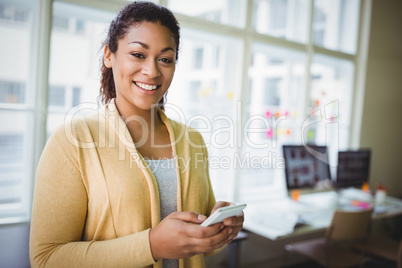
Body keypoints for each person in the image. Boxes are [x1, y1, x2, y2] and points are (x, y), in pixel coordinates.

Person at [29, 1, 244, 268]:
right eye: (138, 55)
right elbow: (47, 259)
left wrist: (220, 230)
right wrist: (151, 245)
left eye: (165, 59)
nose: (152, 71)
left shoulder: (193, 141)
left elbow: (200, 246)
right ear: (109, 55)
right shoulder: (73, 139)